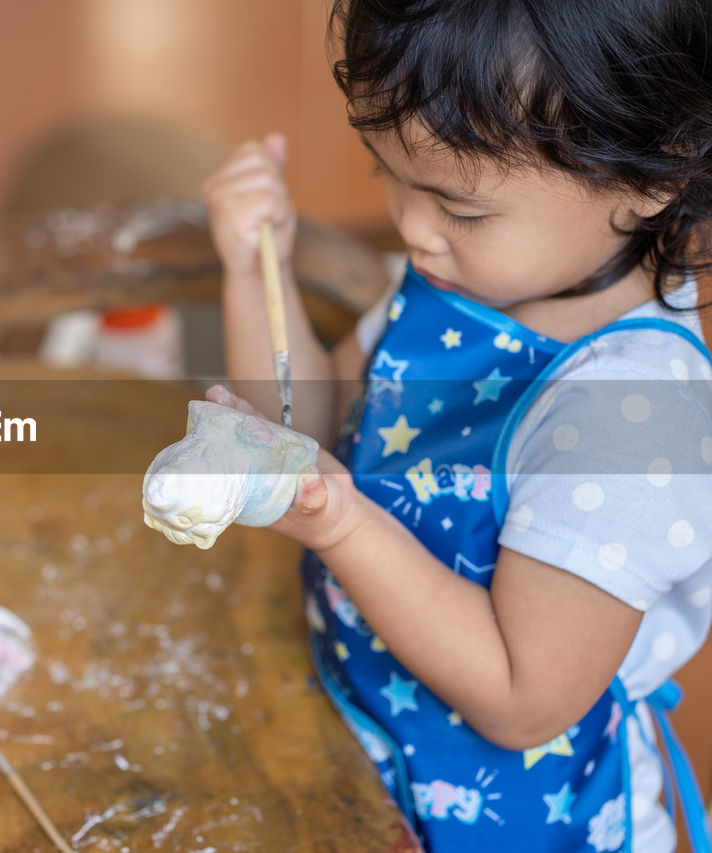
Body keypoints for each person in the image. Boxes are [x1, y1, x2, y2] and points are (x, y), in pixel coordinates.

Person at [201, 0, 712, 850]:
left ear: (653, 178)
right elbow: (311, 419)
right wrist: (253, 271)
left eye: (461, 210)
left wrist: (339, 521)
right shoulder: (473, 280)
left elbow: (523, 695)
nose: (410, 228)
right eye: (386, 175)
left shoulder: (638, 414)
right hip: (369, 760)